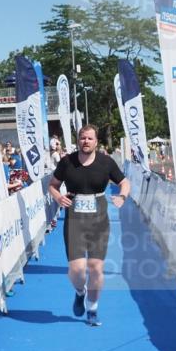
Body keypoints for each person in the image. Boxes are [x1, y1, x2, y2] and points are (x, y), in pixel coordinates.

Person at [48, 125, 130, 327]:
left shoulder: (106, 162)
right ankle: (80, 292)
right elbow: (52, 185)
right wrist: (58, 197)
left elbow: (125, 182)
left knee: (95, 267)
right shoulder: (67, 162)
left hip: (99, 218)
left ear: (96, 141)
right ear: (78, 141)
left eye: (90, 138)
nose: (86, 141)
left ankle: (92, 308)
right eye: (82, 138)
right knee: (76, 270)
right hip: (74, 218)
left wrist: (122, 196)